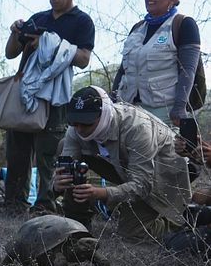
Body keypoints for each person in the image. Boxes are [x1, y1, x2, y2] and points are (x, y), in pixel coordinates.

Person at [0, 0, 94, 214]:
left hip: (55, 95)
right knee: (17, 149)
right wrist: (16, 32)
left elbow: (83, 58)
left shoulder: (82, 22)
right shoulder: (39, 18)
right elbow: (11, 53)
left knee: (48, 152)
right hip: (26, 91)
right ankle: (13, 202)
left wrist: (48, 44)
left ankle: (45, 203)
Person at [55, 86, 192, 243]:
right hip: (123, 168)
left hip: (161, 178)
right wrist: (58, 184)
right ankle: (77, 220)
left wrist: (102, 193)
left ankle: (180, 221)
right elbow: (63, 169)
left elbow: (142, 185)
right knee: (64, 151)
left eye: (86, 123)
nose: (79, 129)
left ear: (104, 114)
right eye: (75, 123)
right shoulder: (77, 129)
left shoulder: (138, 128)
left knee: (132, 234)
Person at [112, 0, 201, 147]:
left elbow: (188, 70)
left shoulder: (183, 24)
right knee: (129, 162)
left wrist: (179, 108)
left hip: (164, 113)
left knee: (164, 164)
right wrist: (113, 99)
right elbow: (123, 70)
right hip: (128, 109)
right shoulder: (137, 28)